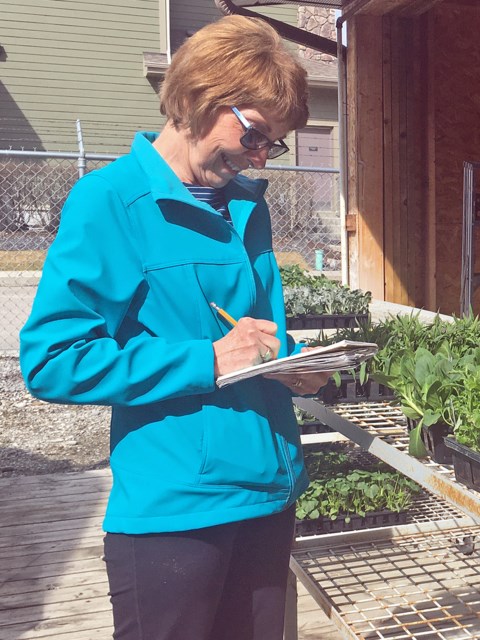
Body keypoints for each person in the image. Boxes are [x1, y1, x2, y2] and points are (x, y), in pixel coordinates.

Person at [19, 15, 329, 640]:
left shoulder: (248, 204)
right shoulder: (110, 201)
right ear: (199, 100)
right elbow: (53, 360)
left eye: (274, 144)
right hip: (176, 517)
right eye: (255, 136)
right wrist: (209, 361)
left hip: (270, 494)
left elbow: (255, 333)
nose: (261, 156)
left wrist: (293, 362)